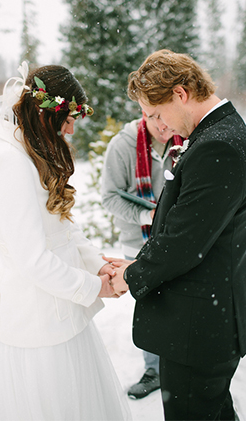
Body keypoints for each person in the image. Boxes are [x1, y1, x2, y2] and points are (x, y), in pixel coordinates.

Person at [105, 50, 246, 420]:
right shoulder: (217, 133)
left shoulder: (218, 147)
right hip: (203, 318)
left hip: (200, 328)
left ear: (180, 93)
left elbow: (183, 242)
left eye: (157, 113)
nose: (158, 124)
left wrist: (130, 275)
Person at [0, 63, 131, 420]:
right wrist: (95, 287)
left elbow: (61, 226)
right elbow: (32, 259)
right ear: (45, 112)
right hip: (37, 326)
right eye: (67, 118)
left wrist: (98, 263)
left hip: (63, 315)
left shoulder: (31, 153)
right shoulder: (8, 164)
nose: (72, 128)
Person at [101, 111, 183, 399]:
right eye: (157, 120)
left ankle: (183, 366)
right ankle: (154, 370)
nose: (165, 126)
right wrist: (146, 214)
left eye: (167, 119)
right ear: (145, 114)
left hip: (178, 241)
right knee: (152, 306)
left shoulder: (183, 138)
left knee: (183, 302)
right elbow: (110, 196)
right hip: (139, 242)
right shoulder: (121, 146)